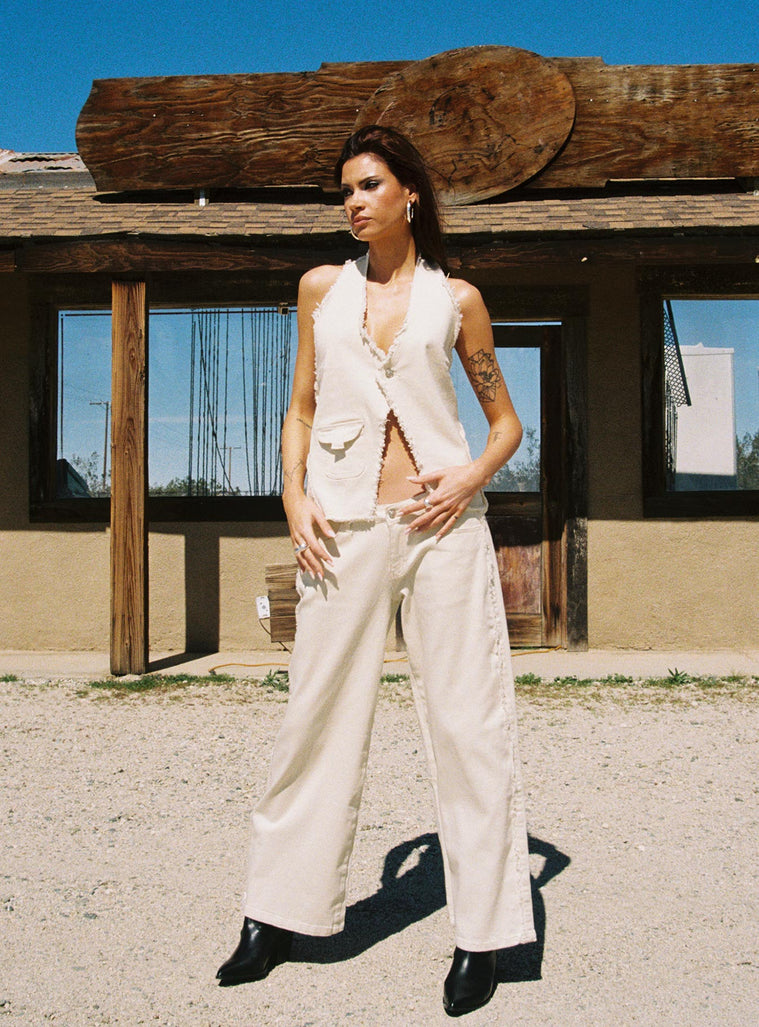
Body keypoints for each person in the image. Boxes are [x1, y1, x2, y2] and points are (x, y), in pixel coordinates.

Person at [217, 125, 536, 1016]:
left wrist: (469, 476)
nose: (352, 202)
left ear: (409, 196)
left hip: (441, 529)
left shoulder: (457, 300)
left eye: (368, 185)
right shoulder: (320, 289)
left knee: (470, 727)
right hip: (341, 528)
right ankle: (274, 914)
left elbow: (504, 422)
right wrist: (292, 496)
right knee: (313, 719)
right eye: (345, 189)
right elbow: (300, 408)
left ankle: (483, 933)